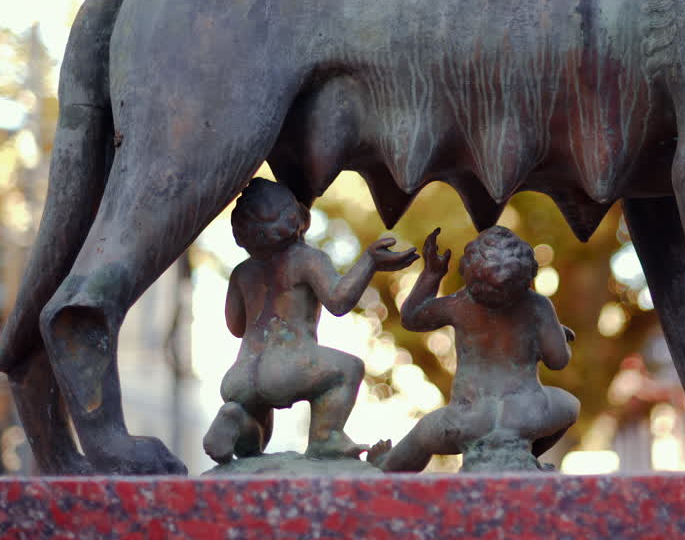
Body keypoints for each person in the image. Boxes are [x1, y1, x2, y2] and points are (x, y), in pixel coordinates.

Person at [203, 178, 418, 463]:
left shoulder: (242, 272)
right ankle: (325, 438)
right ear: (296, 219)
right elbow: (339, 301)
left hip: (241, 375)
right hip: (288, 365)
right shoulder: (306, 259)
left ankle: (234, 418)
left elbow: (235, 326)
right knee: (348, 369)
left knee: (251, 444)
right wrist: (370, 262)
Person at [370, 226, 579, 472]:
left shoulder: (461, 303)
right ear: (526, 272)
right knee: (570, 405)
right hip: (525, 414)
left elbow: (413, 317)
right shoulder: (537, 305)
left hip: (466, 418)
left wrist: (432, 274)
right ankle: (521, 457)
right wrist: (556, 335)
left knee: (422, 435)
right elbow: (558, 360)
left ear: (471, 272)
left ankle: (385, 469)